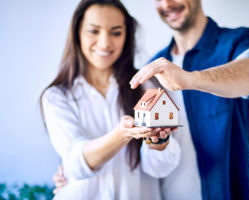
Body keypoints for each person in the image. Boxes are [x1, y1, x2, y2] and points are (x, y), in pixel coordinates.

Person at [130, 0, 249, 199]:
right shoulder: (152, 69)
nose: (167, 4)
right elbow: (152, 160)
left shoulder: (238, 41)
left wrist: (190, 79)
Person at [40, 0, 182, 199]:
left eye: (116, 32)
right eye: (94, 31)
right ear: (77, 33)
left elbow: (159, 169)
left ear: (127, 36)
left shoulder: (146, 87)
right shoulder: (57, 96)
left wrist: (159, 142)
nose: (105, 42)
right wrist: (122, 134)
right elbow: (75, 164)